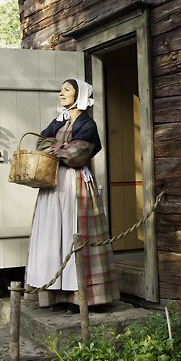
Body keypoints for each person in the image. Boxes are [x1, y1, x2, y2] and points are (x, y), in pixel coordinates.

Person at [25, 79, 119, 311]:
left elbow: (76, 155)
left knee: (73, 233)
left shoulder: (88, 124)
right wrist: (59, 148)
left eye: (66, 89)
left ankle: (82, 296)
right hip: (53, 185)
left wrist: (54, 148)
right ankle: (56, 294)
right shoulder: (58, 122)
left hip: (74, 185)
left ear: (79, 95)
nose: (61, 93)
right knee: (52, 235)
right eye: (62, 89)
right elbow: (39, 143)